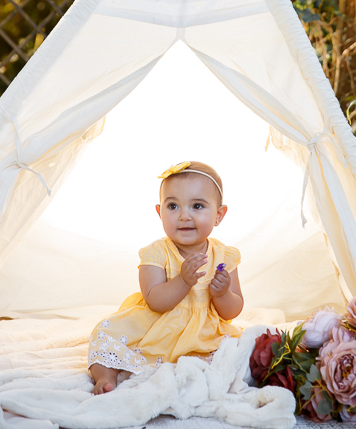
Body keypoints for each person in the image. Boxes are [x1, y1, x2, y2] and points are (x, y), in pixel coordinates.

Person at [88, 160, 244, 395]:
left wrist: (222, 293)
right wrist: (183, 281)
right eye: (173, 206)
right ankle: (105, 377)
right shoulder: (156, 253)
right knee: (104, 336)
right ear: (160, 212)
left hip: (202, 332)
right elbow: (155, 300)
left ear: (219, 215)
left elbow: (233, 311)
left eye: (197, 206)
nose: (184, 216)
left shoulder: (224, 256)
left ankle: (198, 375)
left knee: (238, 352)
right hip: (157, 327)